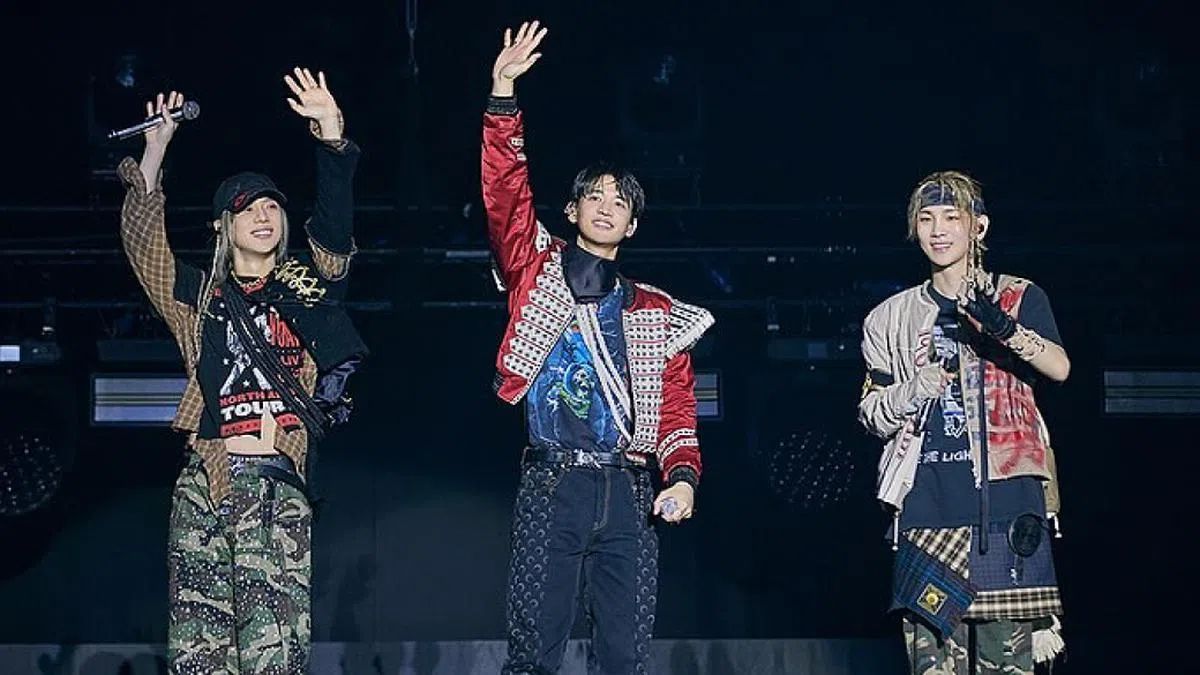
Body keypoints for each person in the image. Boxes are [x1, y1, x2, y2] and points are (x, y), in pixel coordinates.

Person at [481, 20, 715, 675]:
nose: (606, 206)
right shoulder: (536, 267)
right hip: (552, 481)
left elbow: (678, 413)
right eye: (594, 196)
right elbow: (505, 197)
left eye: (620, 201)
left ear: (633, 224)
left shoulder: (657, 311)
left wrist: (683, 480)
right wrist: (503, 97)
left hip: (629, 488)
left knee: (624, 656)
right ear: (573, 209)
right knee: (533, 650)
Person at [118, 70, 366, 674]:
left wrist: (332, 137)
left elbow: (335, 236)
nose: (263, 215)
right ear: (222, 227)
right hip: (206, 481)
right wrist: (155, 149)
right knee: (198, 656)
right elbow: (144, 248)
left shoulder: (305, 289)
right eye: (246, 208)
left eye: (272, 206)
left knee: (271, 655)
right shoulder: (199, 296)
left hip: (274, 484)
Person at [858, 171, 1069, 674]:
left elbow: (1060, 368)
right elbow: (871, 413)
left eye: (952, 217)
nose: (938, 230)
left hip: (1007, 500)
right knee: (931, 663)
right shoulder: (890, 316)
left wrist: (1002, 326)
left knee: (1006, 663)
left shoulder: (1019, 296)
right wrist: (916, 387)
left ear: (979, 226)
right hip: (927, 501)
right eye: (926, 219)